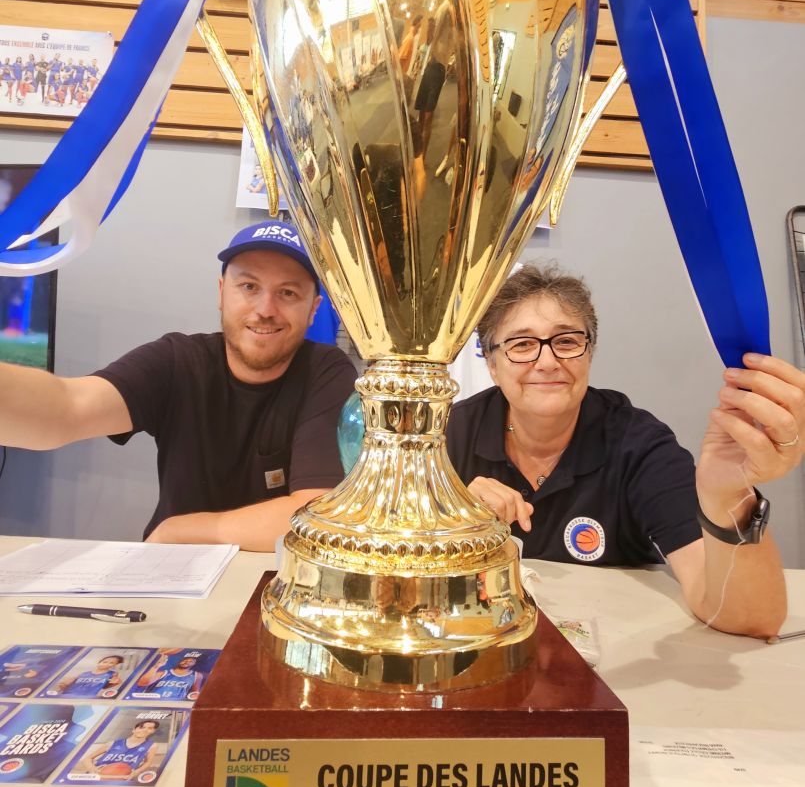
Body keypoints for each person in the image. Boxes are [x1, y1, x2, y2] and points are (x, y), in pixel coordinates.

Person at [446, 264, 804, 639]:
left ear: (589, 353)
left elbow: (750, 618)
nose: (547, 361)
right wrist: (450, 520)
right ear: (491, 364)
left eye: (566, 341)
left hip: (615, 654)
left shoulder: (638, 444)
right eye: (522, 345)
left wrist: (729, 496)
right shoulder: (446, 435)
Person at [0, 221, 357, 552]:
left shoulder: (326, 372)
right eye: (249, 287)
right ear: (222, 293)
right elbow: (67, 408)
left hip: (270, 580)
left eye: (288, 293)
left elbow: (316, 515)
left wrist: (182, 530)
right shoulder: (177, 360)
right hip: (170, 575)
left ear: (313, 309)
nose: (265, 309)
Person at [75, 718, 161, 781]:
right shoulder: (112, 743)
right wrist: (92, 769)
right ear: (134, 730)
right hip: (99, 774)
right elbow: (87, 758)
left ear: (153, 731)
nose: (145, 730)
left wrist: (136, 772)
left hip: (121, 778)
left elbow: (148, 762)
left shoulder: (152, 746)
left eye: (149, 728)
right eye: (142, 727)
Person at [53, 653, 125, 698]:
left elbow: (108, 686)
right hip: (67, 696)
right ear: (99, 662)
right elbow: (63, 684)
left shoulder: (112, 674)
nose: (106, 664)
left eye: (111, 663)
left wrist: (115, 682)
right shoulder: (83, 673)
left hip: (87, 698)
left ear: (115, 665)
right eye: (104, 662)